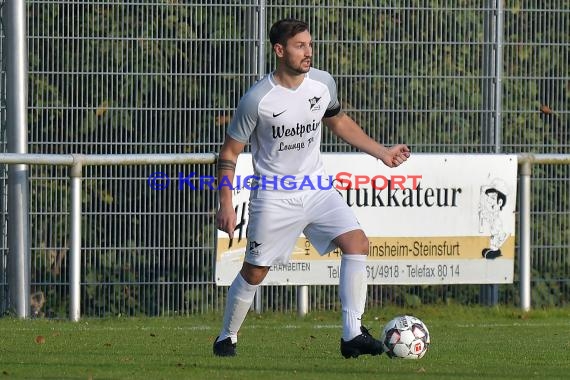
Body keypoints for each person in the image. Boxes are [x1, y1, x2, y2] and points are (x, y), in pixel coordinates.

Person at [213, 18, 410, 358]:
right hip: (275, 195)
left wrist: (382, 152)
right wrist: (226, 203)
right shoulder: (257, 99)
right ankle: (226, 337)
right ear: (279, 50)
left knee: (356, 242)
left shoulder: (322, 83)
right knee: (255, 271)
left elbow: (338, 121)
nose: (309, 52)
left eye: (310, 44)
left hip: (317, 187)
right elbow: (229, 153)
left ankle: (351, 335)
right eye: (299, 46)